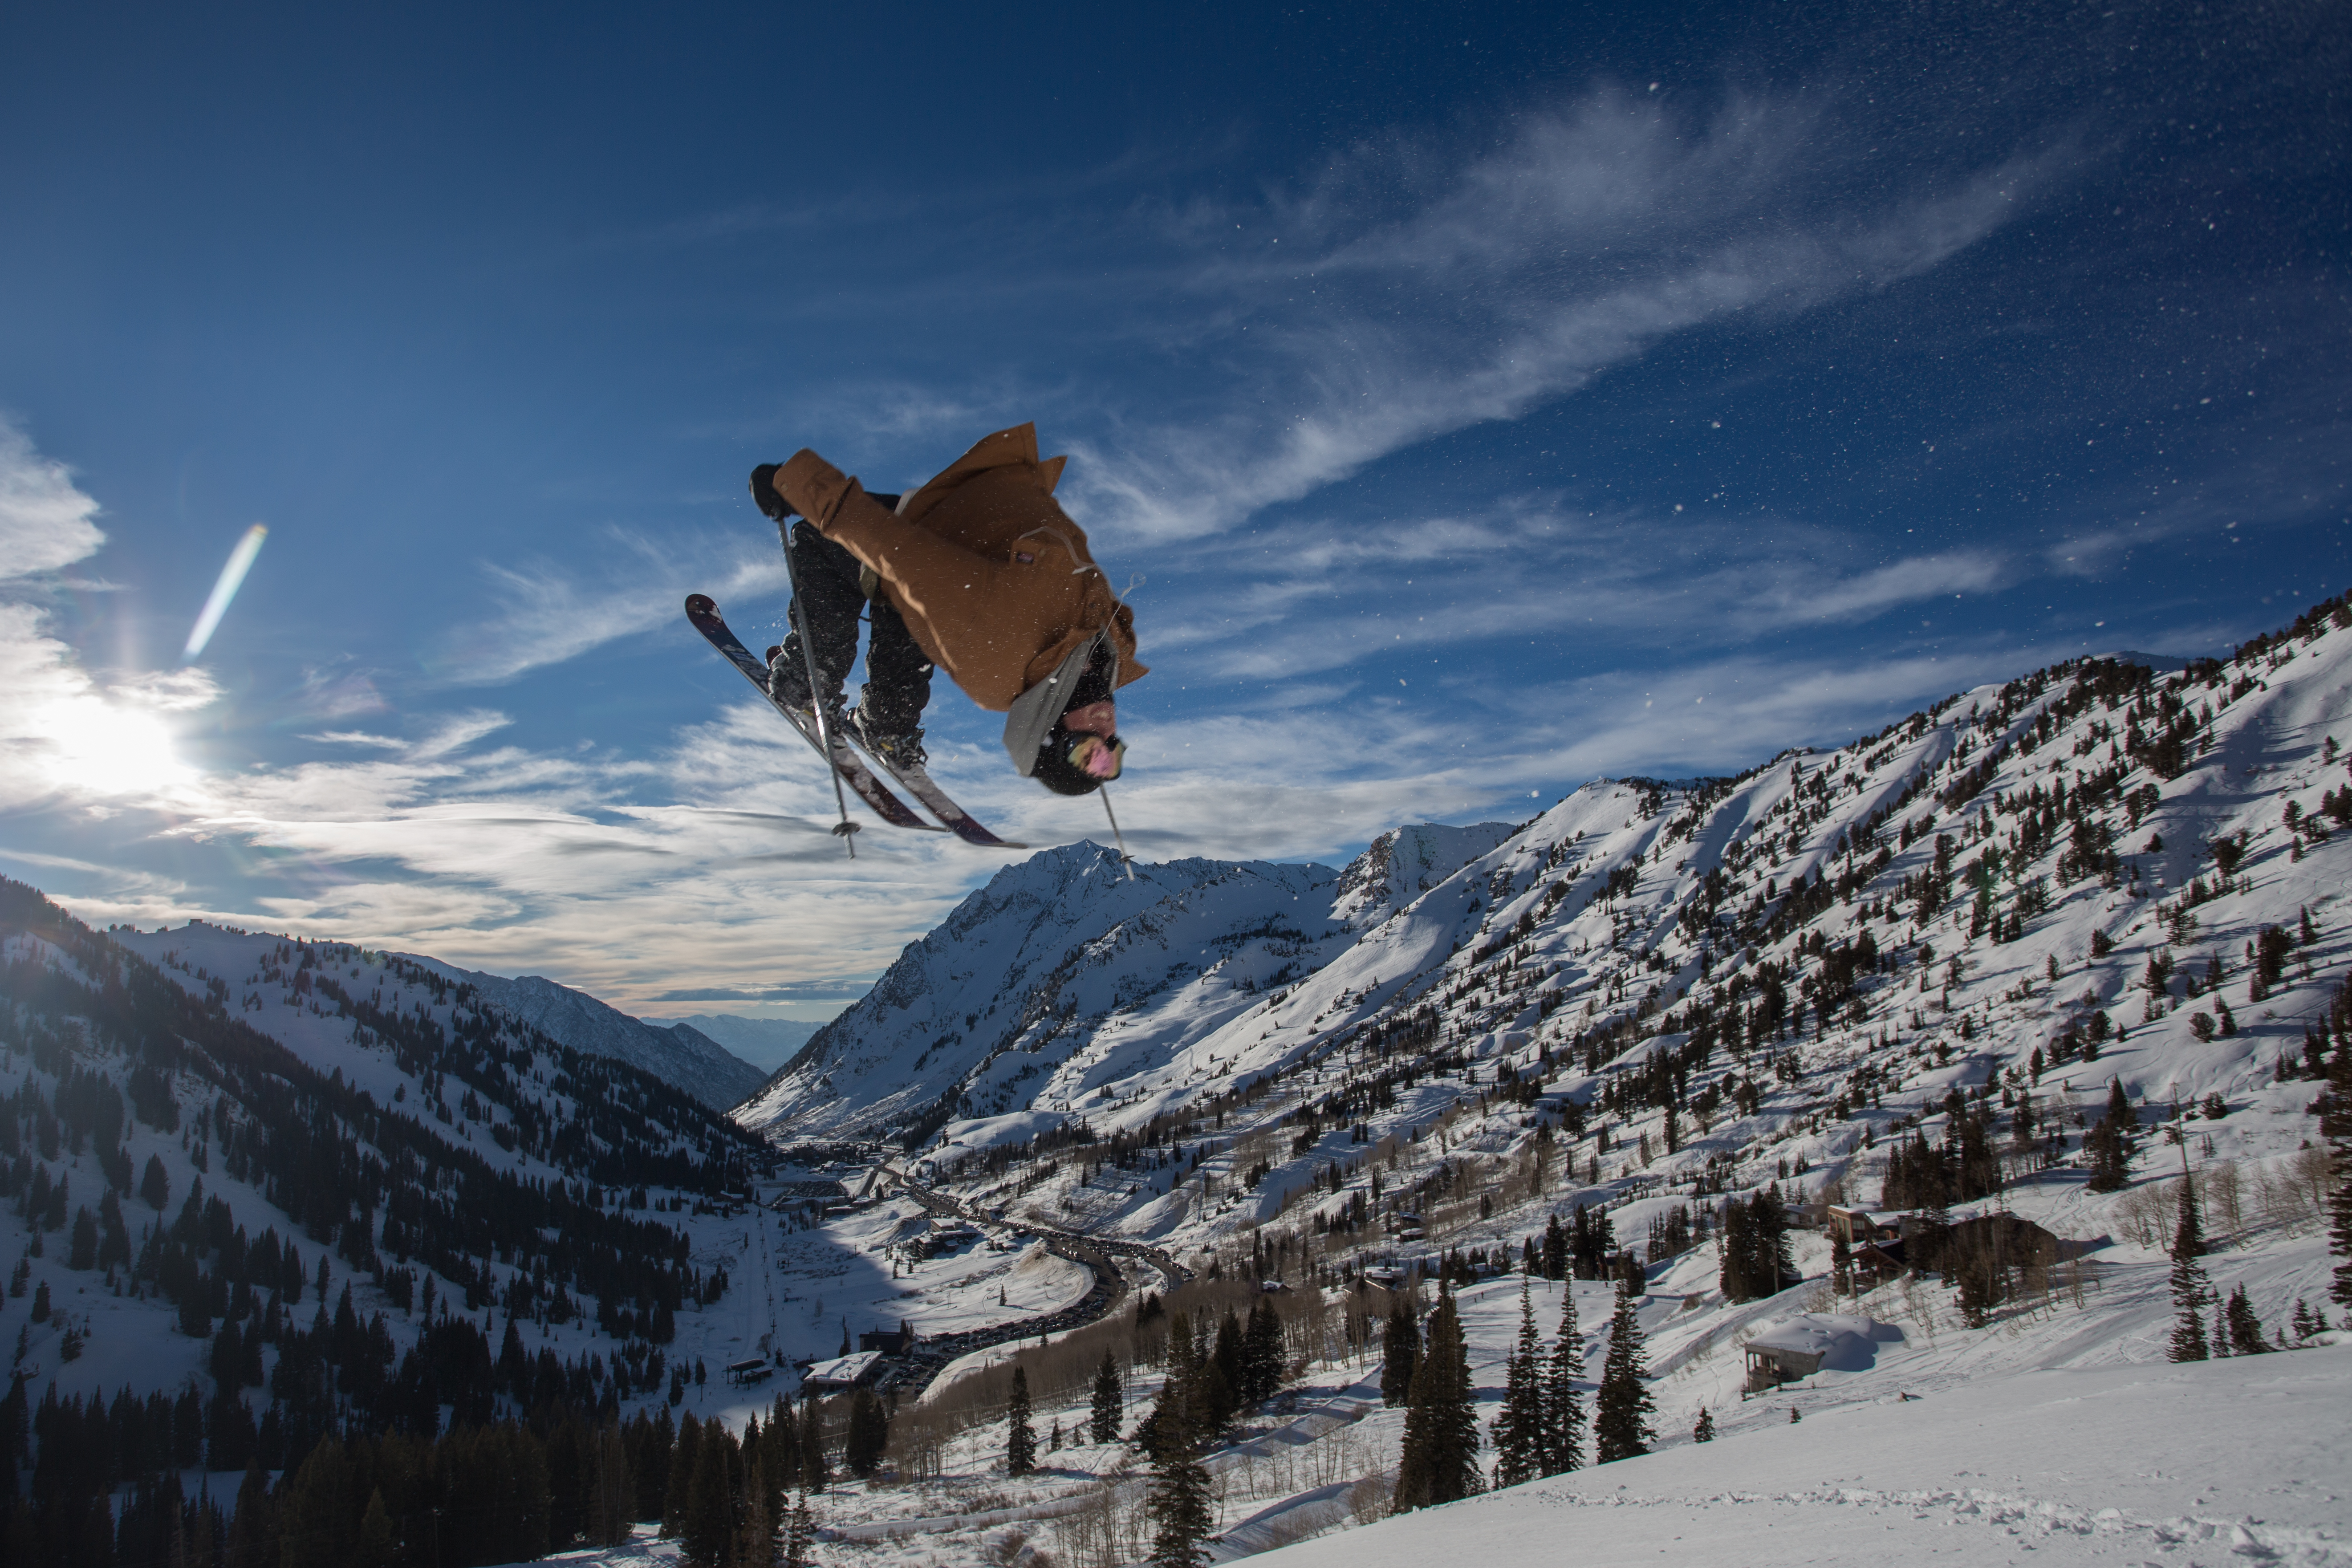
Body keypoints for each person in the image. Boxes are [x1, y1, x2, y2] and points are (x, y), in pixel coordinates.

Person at [752, 422, 1143, 794]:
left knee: (827, 541)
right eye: (1112, 752)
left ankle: (812, 678)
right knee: (918, 605)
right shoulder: (1113, 653)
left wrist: (797, 485)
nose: (1106, 734)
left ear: (1049, 731)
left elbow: (900, 553)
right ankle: (888, 723)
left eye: (1088, 751)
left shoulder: (999, 642)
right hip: (969, 515)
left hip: (939, 532)